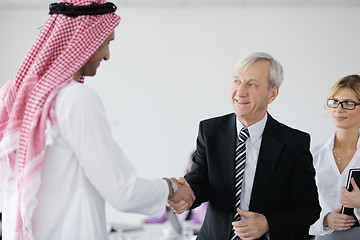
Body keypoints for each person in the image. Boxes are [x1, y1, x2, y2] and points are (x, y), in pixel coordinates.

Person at [0, 1, 194, 239]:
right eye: (107, 43)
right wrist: (171, 188)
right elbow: (123, 191)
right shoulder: (75, 99)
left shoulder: (15, 94)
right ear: (84, 41)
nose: (107, 55)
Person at [169, 52, 321, 240]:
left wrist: (268, 223)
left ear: (272, 93)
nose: (240, 92)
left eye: (252, 84)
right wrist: (185, 194)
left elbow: (309, 209)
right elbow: (199, 181)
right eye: (236, 81)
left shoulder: (294, 143)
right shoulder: (210, 130)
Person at [309, 74, 360, 239]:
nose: (339, 109)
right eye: (334, 102)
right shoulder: (314, 155)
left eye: (348, 103)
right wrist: (324, 220)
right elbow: (297, 208)